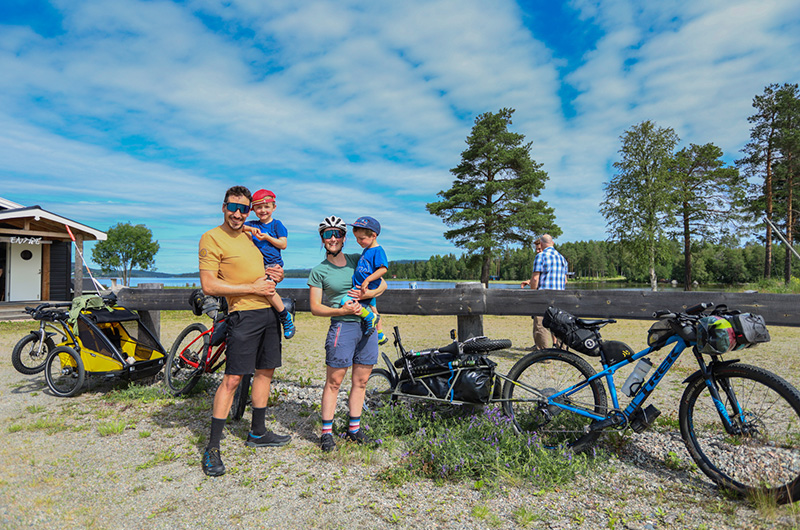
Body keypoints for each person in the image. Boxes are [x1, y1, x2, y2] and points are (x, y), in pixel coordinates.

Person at [198, 185, 291, 477]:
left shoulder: (252, 234)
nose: (238, 213)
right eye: (233, 207)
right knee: (233, 378)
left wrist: (278, 274)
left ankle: (258, 432)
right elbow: (209, 285)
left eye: (244, 208)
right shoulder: (212, 238)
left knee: (265, 371)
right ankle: (213, 447)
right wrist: (251, 288)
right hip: (242, 314)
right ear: (223, 207)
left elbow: (269, 265)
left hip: (268, 313)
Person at [307, 215, 387, 452]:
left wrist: (365, 296)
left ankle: (354, 429)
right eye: (327, 234)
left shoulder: (358, 258)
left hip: (367, 327)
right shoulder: (319, 271)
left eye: (337, 234)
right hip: (343, 326)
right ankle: (326, 433)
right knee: (334, 381)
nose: (333, 238)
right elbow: (315, 307)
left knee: (361, 381)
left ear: (344, 238)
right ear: (322, 239)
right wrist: (340, 309)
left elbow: (382, 284)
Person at [243, 189, 295, 339]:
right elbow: (237, 226)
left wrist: (267, 237)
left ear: (274, 207)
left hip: (273, 265)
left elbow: (283, 244)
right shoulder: (253, 224)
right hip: (257, 266)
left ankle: (285, 317)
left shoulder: (276, 225)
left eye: (267, 207)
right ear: (253, 210)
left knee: (267, 289)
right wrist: (250, 228)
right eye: (259, 207)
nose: (263, 210)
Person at [340, 216, 389, 344]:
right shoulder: (366, 250)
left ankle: (369, 318)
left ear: (373, 235)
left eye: (361, 238)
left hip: (366, 287)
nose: (358, 241)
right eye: (356, 238)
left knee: (345, 300)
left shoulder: (378, 251)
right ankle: (380, 335)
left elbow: (383, 269)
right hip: (365, 286)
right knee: (374, 309)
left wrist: (367, 280)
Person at [521, 234, 568, 350]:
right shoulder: (562, 258)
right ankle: (562, 351)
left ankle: (543, 353)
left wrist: (533, 294)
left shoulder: (541, 256)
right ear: (552, 243)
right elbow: (565, 280)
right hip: (560, 296)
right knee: (559, 323)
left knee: (540, 325)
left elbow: (535, 279)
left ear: (541, 244)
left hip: (544, 296)